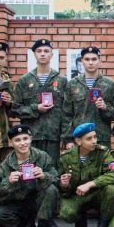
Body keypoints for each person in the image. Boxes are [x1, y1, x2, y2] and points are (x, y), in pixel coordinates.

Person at [0, 125, 60, 227]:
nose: (22, 143)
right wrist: (9, 182)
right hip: (19, 202)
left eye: (25, 138)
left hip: (38, 200)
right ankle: (23, 225)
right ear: (11, 143)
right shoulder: (6, 164)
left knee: (51, 189)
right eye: (17, 140)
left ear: (31, 139)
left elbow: (56, 178)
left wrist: (44, 175)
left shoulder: (42, 156)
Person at [58, 123, 114, 227]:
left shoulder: (103, 152)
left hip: (97, 194)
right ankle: (80, 222)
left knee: (112, 190)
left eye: (95, 137)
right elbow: (60, 185)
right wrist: (63, 184)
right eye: (89, 138)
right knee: (66, 213)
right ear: (78, 141)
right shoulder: (66, 157)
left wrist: (90, 184)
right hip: (76, 195)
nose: (94, 141)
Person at [11, 38, 68, 167]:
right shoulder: (24, 81)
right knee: (30, 171)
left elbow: (67, 111)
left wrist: (65, 136)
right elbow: (15, 109)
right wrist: (36, 108)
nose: (43, 54)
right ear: (34, 54)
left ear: (52, 55)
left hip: (53, 136)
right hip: (30, 136)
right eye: (39, 51)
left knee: (51, 170)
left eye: (46, 51)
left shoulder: (62, 80)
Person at [62, 46, 114, 150]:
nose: (90, 62)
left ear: (99, 61)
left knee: (102, 166)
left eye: (94, 59)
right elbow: (66, 115)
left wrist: (105, 107)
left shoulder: (109, 84)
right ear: (82, 61)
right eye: (87, 59)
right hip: (79, 138)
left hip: (101, 138)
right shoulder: (72, 84)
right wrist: (68, 139)